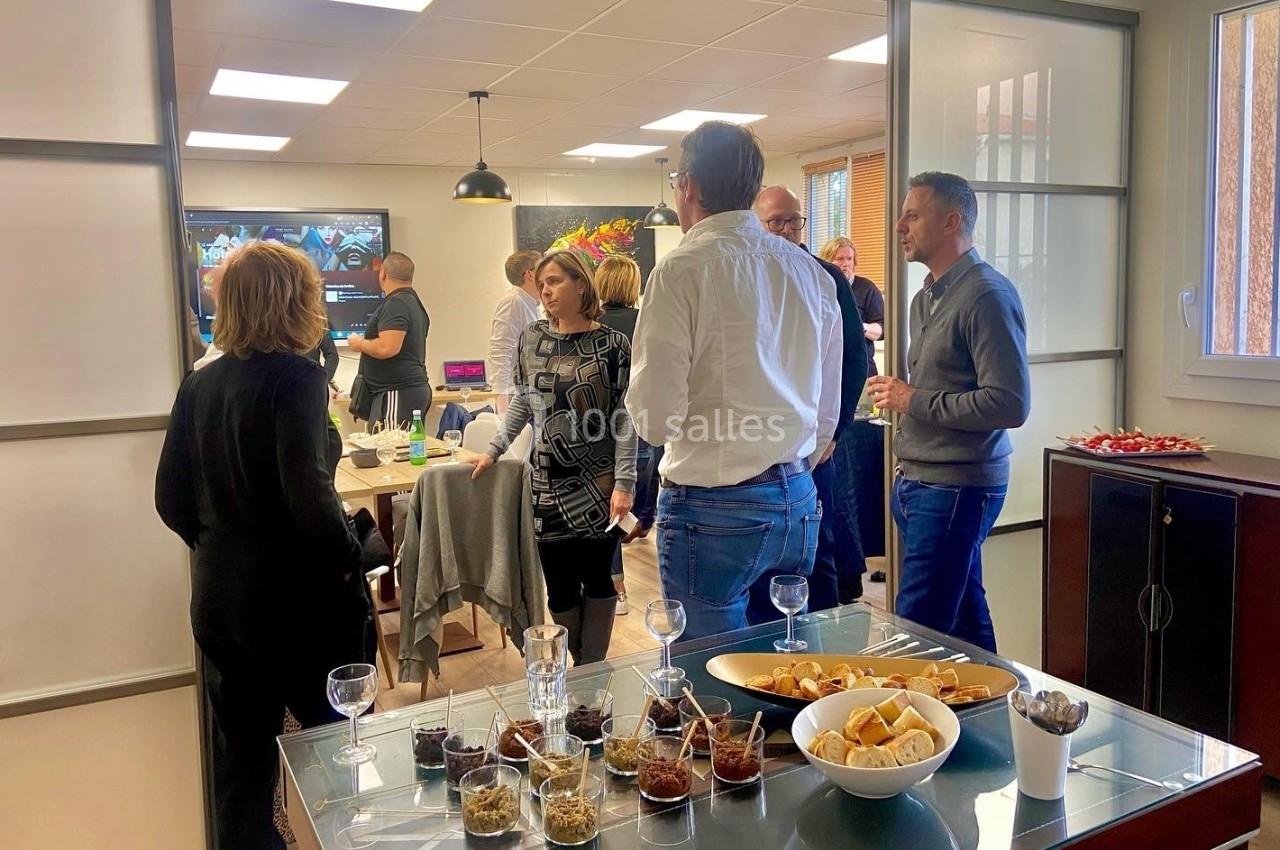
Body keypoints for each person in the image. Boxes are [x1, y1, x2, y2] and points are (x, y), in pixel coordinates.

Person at [155, 242, 373, 850]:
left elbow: (169, 498)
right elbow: (310, 497)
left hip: (223, 601)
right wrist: (351, 555)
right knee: (338, 749)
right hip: (298, 606)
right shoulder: (298, 378)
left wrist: (224, 547)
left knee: (242, 766)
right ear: (295, 300)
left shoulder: (199, 383)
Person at [626, 122, 842, 641]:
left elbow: (655, 421)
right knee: (789, 661)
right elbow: (827, 404)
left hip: (713, 506)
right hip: (796, 493)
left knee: (711, 667)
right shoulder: (810, 271)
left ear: (689, 186)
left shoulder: (679, 271)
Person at [868, 171, 1030, 653]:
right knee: (964, 623)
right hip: (919, 482)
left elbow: (1010, 402)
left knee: (914, 635)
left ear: (951, 222)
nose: (899, 226)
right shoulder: (925, 298)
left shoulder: (987, 295)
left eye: (912, 215)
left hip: (957, 487)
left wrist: (911, 399)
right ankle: (1001, 698)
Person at [468, 250, 636, 665]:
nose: (545, 290)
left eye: (555, 281)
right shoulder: (532, 339)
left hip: (599, 487)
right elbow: (524, 403)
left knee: (597, 578)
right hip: (546, 484)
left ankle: (592, 665)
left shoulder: (613, 344)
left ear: (581, 284)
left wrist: (625, 482)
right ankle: (575, 666)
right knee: (558, 585)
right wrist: (493, 450)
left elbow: (626, 417)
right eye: (542, 283)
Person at [754, 186, 868, 609]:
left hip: (814, 445)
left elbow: (854, 358)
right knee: (766, 558)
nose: (787, 230)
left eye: (794, 221)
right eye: (776, 222)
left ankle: (820, 643)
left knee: (817, 551)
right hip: (761, 446)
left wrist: (835, 431)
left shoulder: (827, 277)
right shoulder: (749, 275)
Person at [596, 255, 651, 616]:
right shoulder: (646, 321)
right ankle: (640, 523)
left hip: (601, 427)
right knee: (629, 503)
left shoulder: (590, 323)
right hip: (643, 425)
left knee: (608, 510)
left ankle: (616, 587)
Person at [347, 251, 429, 429]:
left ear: (383, 272)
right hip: (401, 390)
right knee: (397, 444)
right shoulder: (412, 302)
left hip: (396, 391)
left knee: (390, 444)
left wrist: (360, 344)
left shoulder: (396, 304)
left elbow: (387, 347)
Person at [820, 236, 885, 377]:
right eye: (840, 259)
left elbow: (882, 329)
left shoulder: (867, 288)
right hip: (826, 370)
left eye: (849, 259)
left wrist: (859, 327)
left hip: (861, 370)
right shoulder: (819, 288)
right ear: (827, 261)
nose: (846, 264)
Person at [489, 249, 543, 415]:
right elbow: (500, 352)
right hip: (516, 397)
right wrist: (502, 407)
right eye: (542, 268)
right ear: (530, 275)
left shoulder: (532, 305)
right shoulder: (513, 302)